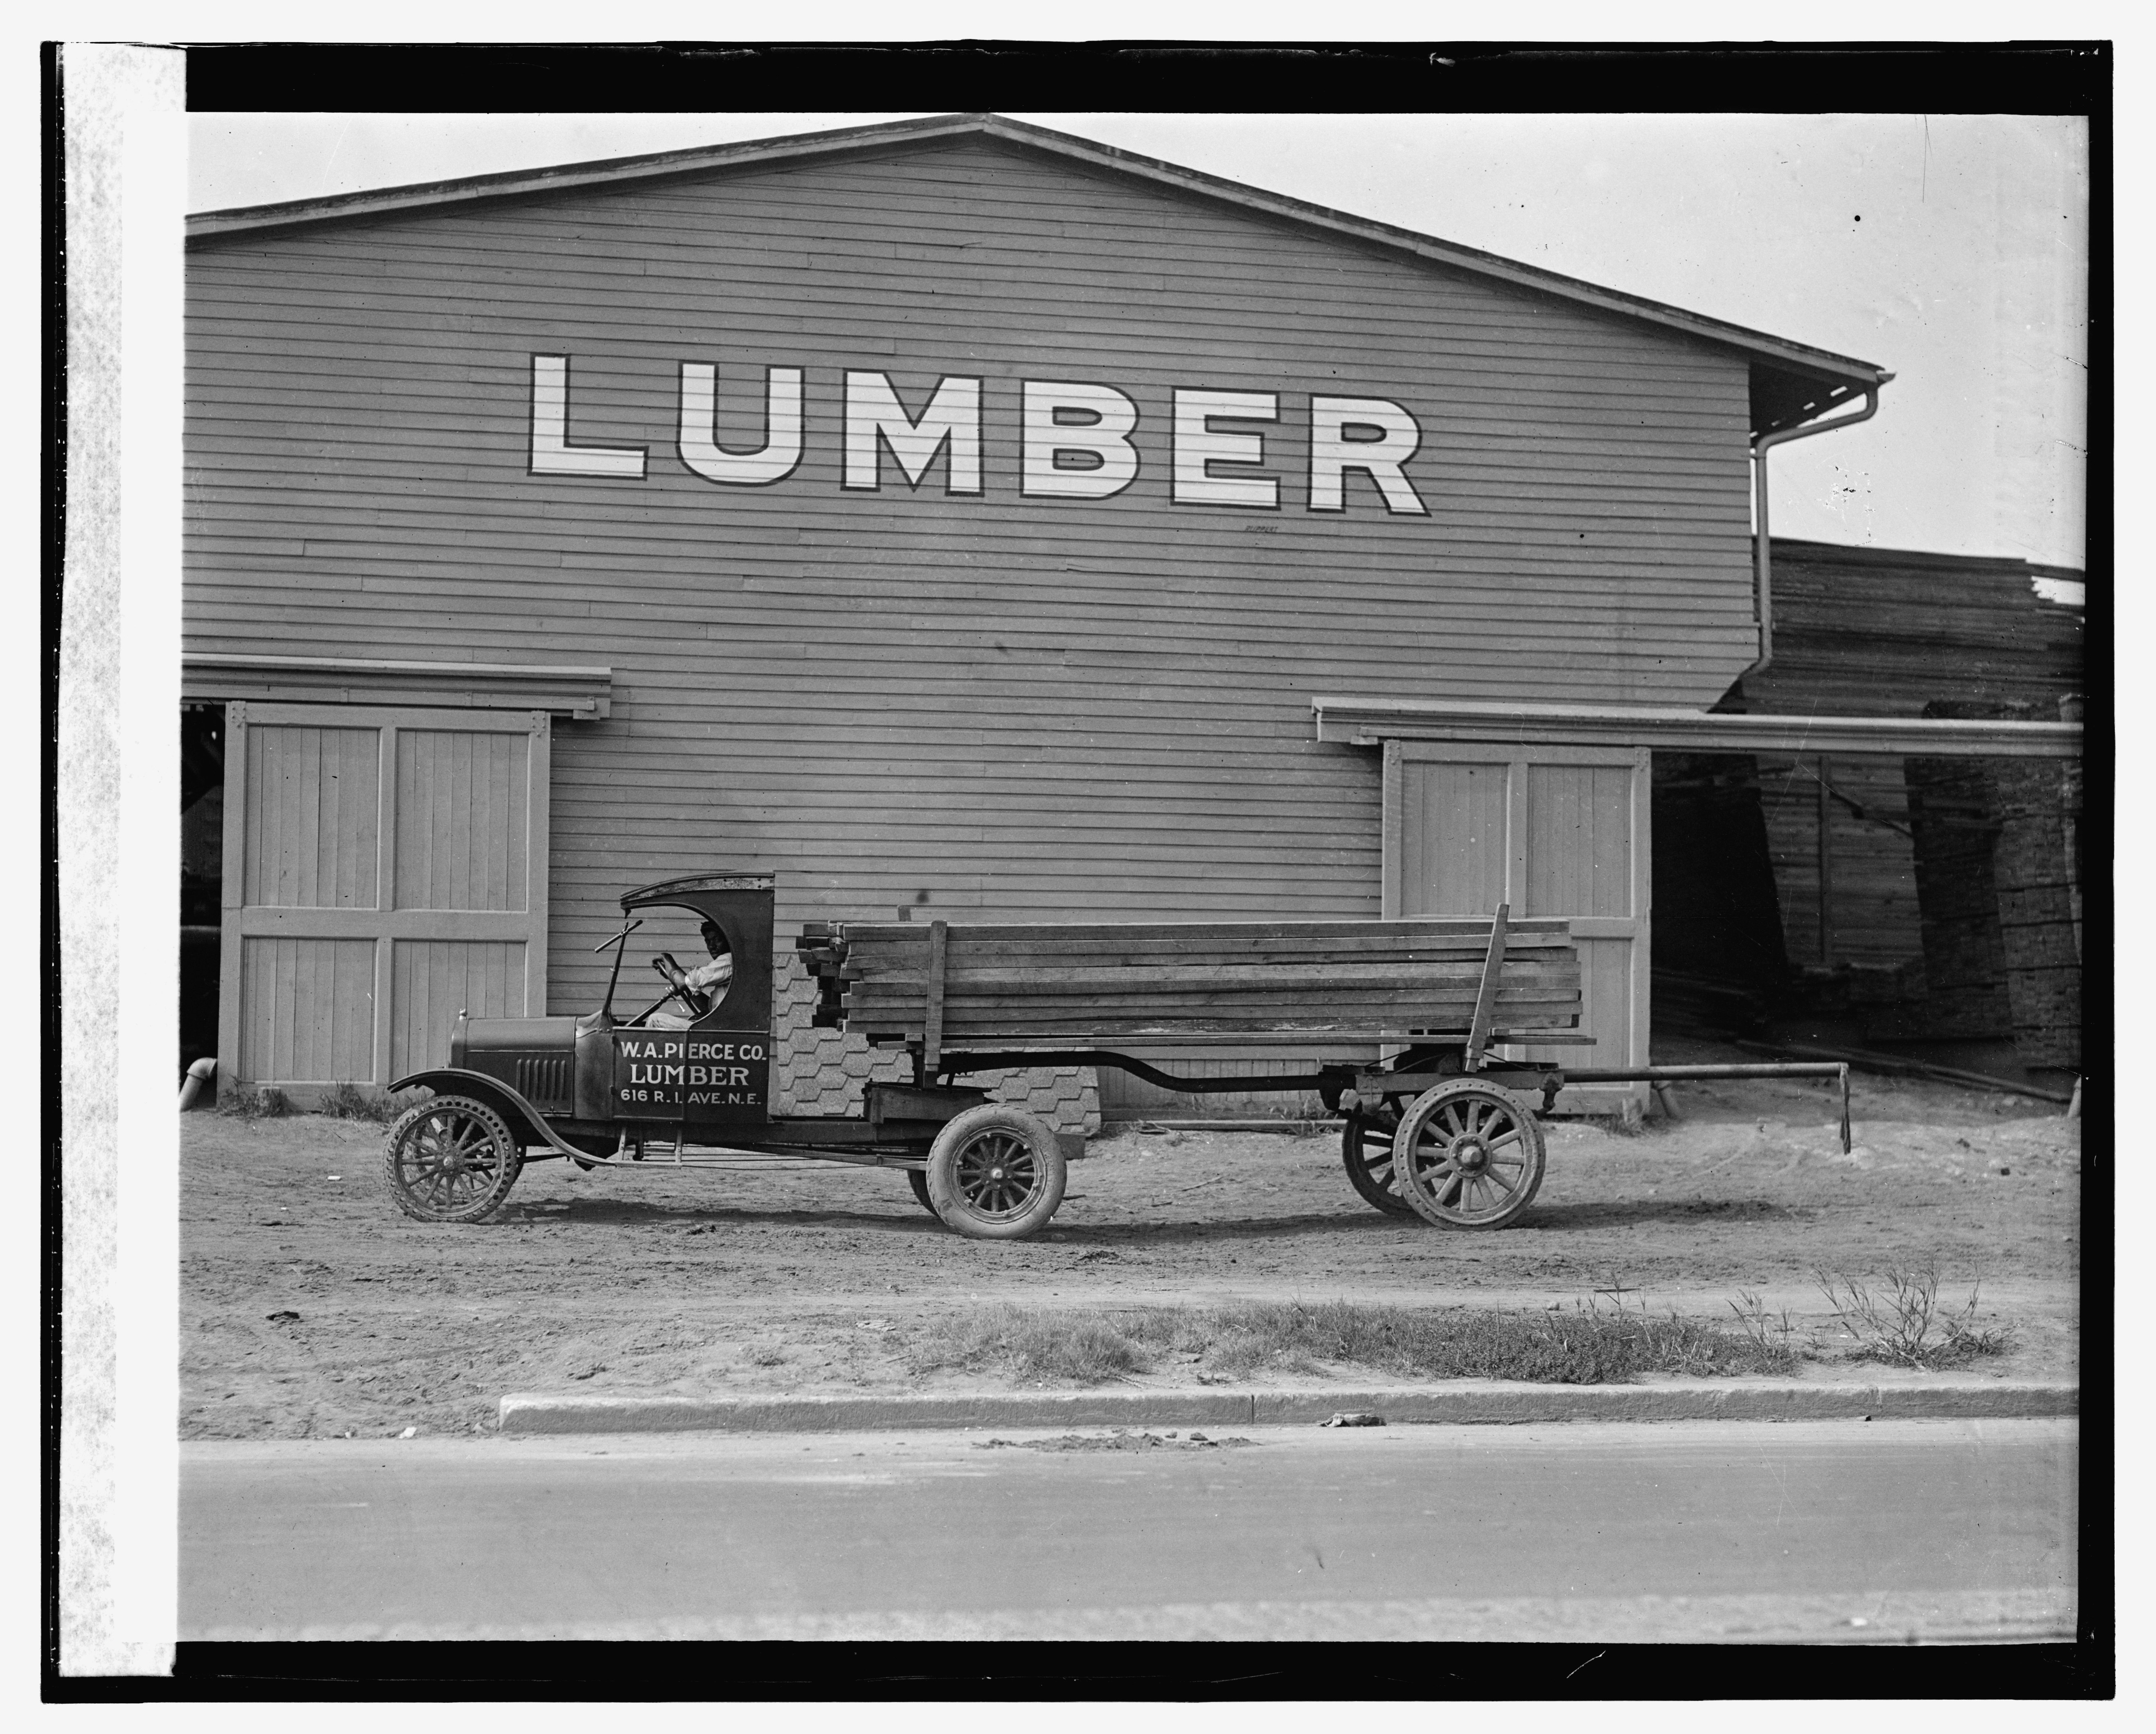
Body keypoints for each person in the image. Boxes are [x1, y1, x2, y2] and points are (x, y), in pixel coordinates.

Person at [647, 921, 733, 1029]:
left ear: (728, 940)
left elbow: (683, 983)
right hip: (720, 1028)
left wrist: (666, 958)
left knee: (655, 1020)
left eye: (717, 940)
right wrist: (687, 988)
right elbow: (708, 1009)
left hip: (721, 1031)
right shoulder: (727, 968)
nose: (712, 946)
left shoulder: (729, 960)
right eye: (708, 941)